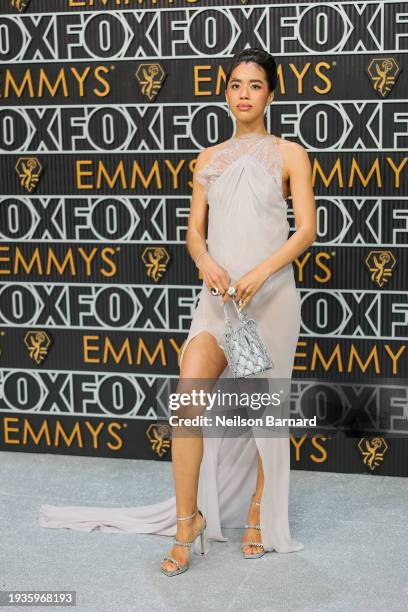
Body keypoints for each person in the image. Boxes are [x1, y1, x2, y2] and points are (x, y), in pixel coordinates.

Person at [38, 47, 316, 578]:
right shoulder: (207, 159)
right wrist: (205, 258)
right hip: (217, 301)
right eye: (235, 84)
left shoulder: (290, 154)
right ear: (225, 92)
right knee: (189, 399)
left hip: (270, 302)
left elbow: (306, 228)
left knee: (262, 413)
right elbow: (193, 230)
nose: (243, 94)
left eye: (254, 85)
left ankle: (257, 513)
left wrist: (260, 272)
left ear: (271, 94)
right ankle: (187, 521)